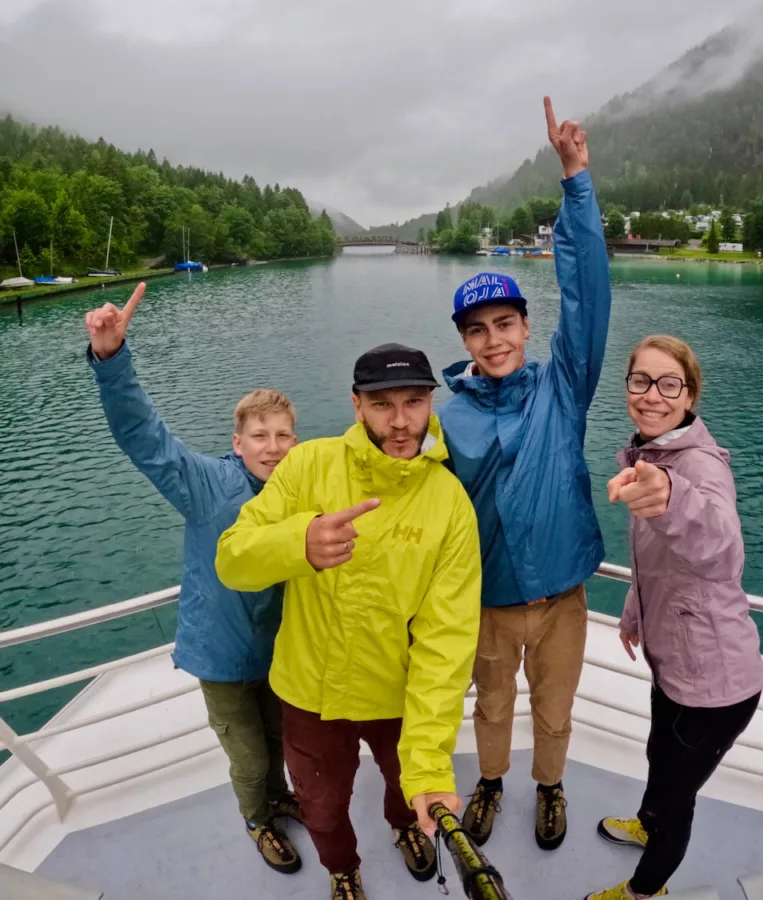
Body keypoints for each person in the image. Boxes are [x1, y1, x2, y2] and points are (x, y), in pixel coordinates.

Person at [216, 342, 481, 900]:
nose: (402, 420)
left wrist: (431, 765)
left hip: (397, 694)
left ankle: (405, 827)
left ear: (433, 402)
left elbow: (446, 639)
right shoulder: (308, 465)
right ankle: (342, 869)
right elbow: (233, 558)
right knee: (322, 802)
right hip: (310, 693)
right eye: (383, 404)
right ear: (356, 406)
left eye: (414, 401)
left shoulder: (449, 502)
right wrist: (299, 543)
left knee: (401, 784)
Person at [438, 97, 611, 852]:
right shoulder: (446, 420)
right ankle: (490, 780)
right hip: (489, 604)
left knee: (556, 707)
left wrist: (576, 184)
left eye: (505, 323)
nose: (494, 338)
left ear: (524, 327)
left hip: (565, 595)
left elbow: (589, 297)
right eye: (478, 330)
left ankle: (549, 786)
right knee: (491, 706)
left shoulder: (562, 388)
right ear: (467, 342)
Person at [84, 281, 303, 875]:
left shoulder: (303, 491)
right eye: (260, 435)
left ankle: (282, 799)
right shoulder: (207, 485)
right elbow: (143, 437)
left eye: (284, 435)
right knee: (250, 759)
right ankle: (259, 820)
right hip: (221, 655)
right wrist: (110, 357)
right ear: (237, 443)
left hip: (282, 652)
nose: (273, 447)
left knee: (281, 743)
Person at [585, 335, 763, 900]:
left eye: (670, 384)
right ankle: (648, 817)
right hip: (678, 665)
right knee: (659, 758)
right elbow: (659, 566)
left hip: (715, 686)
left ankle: (646, 891)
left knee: (675, 797)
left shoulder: (695, 467)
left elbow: (722, 548)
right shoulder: (651, 454)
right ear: (627, 388)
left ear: (690, 396)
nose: (653, 395)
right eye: (641, 381)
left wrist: (672, 499)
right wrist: (635, 611)